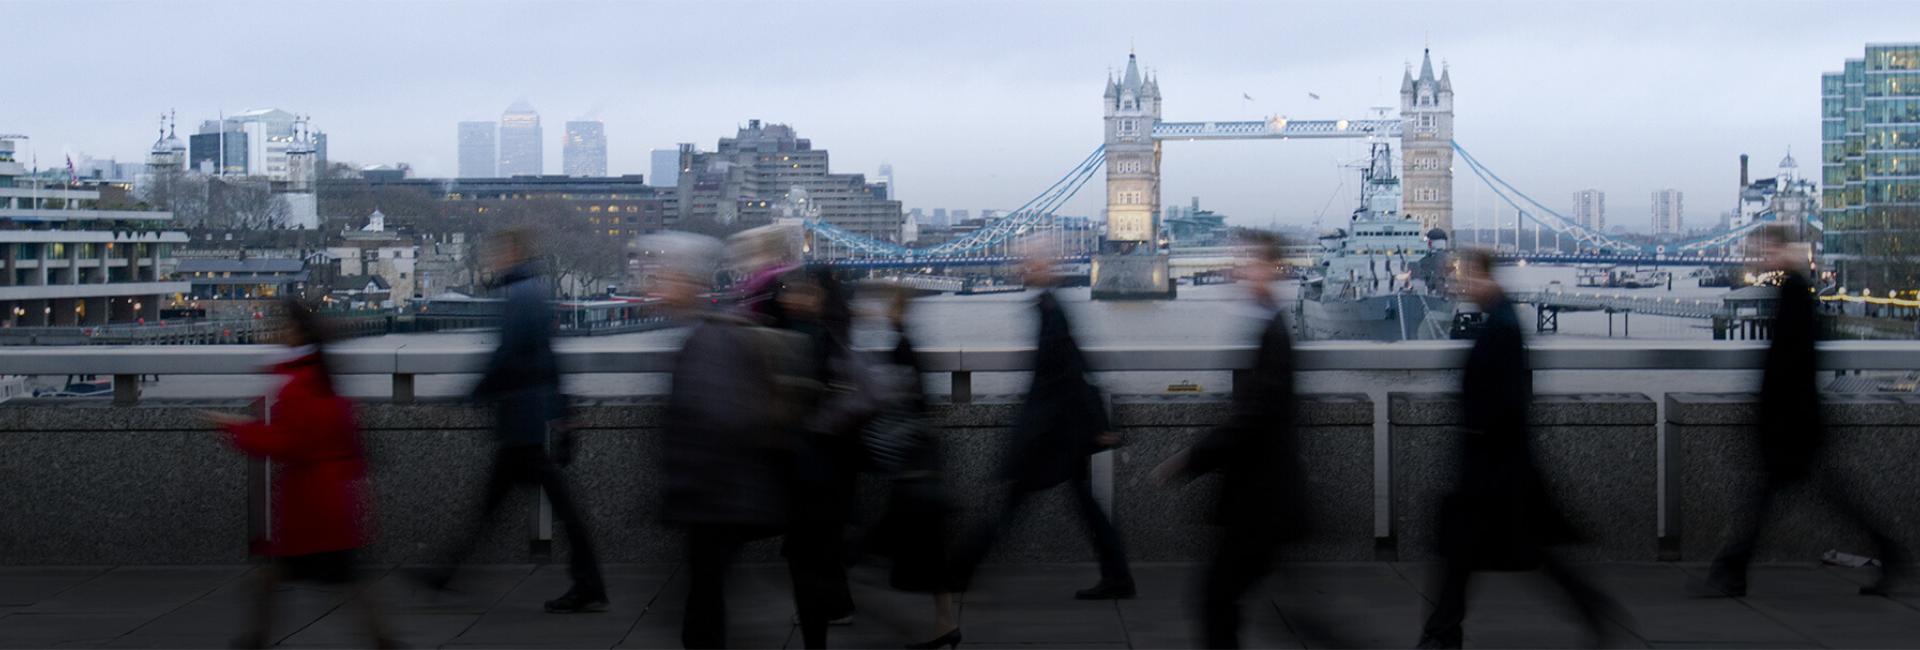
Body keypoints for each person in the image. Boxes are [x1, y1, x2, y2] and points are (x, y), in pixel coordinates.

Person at [1415, 248, 1621, 649]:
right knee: (1493, 554)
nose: (1462, 286)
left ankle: (1443, 634)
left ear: (1486, 277)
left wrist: (1481, 439)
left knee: (1477, 553)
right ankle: (1443, 632)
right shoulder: (1501, 318)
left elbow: (1505, 399)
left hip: (1494, 467)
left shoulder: (1501, 327)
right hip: (1496, 464)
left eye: (1468, 277)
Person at [1689, 225, 1909, 598]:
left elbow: (1791, 366)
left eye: (1766, 250)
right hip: (1794, 421)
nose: (1759, 257)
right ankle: (1732, 571)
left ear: (1785, 251)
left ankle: (1731, 571)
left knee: (1773, 502)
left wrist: (1772, 416)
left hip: (1791, 424)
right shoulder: (1792, 292)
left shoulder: (1793, 295)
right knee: (1793, 500)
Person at [415, 228, 607, 613]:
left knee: (516, 504)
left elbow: (507, 355)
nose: (491, 257)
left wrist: (469, 396)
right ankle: (446, 571)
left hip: (523, 418)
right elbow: (547, 356)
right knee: (503, 503)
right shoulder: (534, 291)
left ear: (513, 251)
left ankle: (588, 581)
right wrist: (564, 412)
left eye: (497, 250)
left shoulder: (521, 295)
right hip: (532, 414)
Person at [204, 300, 396, 649]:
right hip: (334, 499)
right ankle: (382, 639)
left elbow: (289, 443)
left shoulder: (296, 386)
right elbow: (348, 440)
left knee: (275, 576)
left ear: (296, 333)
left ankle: (255, 639)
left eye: (282, 326)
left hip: (309, 505)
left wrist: (237, 430)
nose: (276, 332)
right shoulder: (325, 380)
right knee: (347, 580)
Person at [650, 232, 807, 649]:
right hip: (720, 497)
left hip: (718, 499)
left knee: (704, 607)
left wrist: (687, 487)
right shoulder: (708, 334)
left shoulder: (708, 340)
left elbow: (722, 419)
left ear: (690, 283)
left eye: (664, 275)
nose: (655, 285)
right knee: (707, 598)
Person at [1152, 232, 1309, 649]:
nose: (1241, 267)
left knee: (1216, 602)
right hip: (1264, 498)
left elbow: (1254, 420)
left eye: (1250, 260)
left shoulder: (1272, 333)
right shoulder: (1268, 324)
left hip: (1263, 500)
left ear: (1271, 268)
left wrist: (1190, 458)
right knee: (1258, 609)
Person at [962, 252, 1135, 600]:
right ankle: (1118, 578)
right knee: (1082, 507)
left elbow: (1068, 372)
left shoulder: (1051, 311)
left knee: (1012, 503)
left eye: (1032, 262)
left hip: (1051, 433)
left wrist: (1093, 425)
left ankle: (959, 572)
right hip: (1061, 430)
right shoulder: (1049, 307)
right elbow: (1076, 366)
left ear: (1046, 269)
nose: (1024, 267)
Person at [775, 269, 870, 649]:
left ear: (815, 297)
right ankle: (834, 607)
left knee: (807, 557)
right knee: (819, 551)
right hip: (831, 468)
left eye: (796, 291)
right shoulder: (835, 334)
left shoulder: (807, 339)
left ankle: (822, 619)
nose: (788, 298)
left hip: (812, 469)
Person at [863, 286, 962, 650]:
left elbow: (897, 404)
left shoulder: (899, 347)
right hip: (922, 461)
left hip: (909, 465)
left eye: (886, 304)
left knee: (874, 548)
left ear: (895, 309)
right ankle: (943, 623)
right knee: (931, 551)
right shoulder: (907, 343)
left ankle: (846, 607)